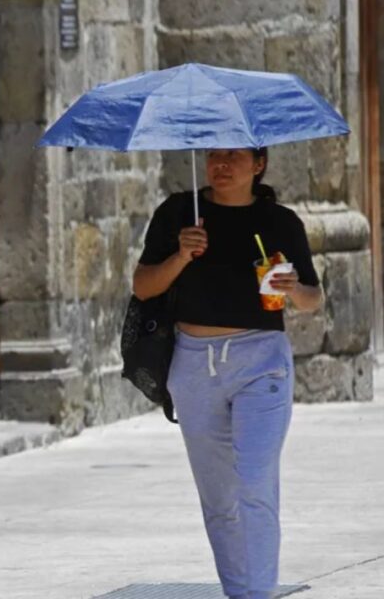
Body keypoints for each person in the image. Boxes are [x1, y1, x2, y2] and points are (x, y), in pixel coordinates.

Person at [133, 147, 322, 599]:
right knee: (218, 495)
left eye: (233, 155)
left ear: (258, 165)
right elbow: (142, 286)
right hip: (194, 361)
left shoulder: (281, 223)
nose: (220, 163)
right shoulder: (180, 212)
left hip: (262, 361)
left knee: (255, 481)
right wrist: (181, 256)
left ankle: (258, 593)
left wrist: (291, 285)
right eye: (214, 154)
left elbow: (313, 299)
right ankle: (240, 591)